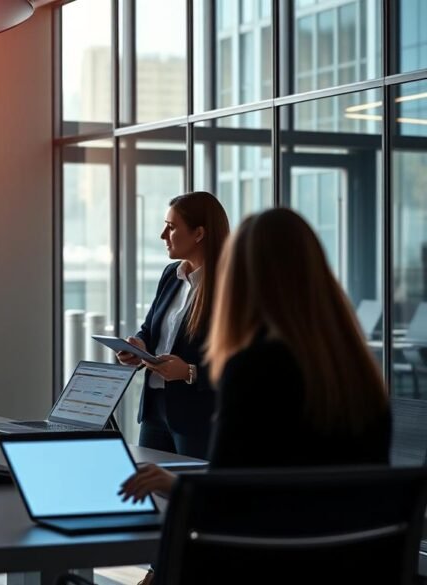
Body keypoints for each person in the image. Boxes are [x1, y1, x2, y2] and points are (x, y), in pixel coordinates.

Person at [119, 208, 391, 584]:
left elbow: (227, 498)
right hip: (342, 569)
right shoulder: (360, 374)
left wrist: (174, 483)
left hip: (262, 564)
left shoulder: (254, 368)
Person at [116, 191, 230, 459]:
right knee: (149, 482)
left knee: (192, 485)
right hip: (155, 411)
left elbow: (236, 360)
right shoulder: (171, 274)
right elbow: (150, 329)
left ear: (199, 233)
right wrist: (138, 346)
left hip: (197, 418)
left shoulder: (229, 286)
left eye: (171, 227)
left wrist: (190, 371)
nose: (162, 235)